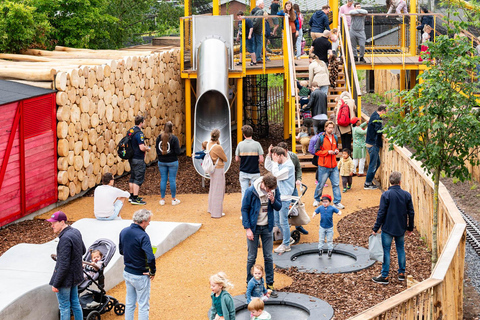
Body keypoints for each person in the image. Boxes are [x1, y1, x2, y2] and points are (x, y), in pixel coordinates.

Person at [242, 173, 281, 298]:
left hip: (267, 227)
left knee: (268, 256)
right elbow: (244, 209)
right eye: (268, 189)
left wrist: (273, 200)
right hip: (254, 227)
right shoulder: (251, 191)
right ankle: (249, 285)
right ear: (263, 184)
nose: (270, 191)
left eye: (272, 190)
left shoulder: (274, 190)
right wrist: (248, 228)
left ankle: (269, 286)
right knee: (251, 257)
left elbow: (278, 206)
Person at [372, 171, 415, 285]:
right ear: (400, 182)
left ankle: (385, 275)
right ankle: (401, 273)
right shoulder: (406, 195)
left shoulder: (386, 195)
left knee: (386, 250)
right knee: (400, 248)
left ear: (390, 182)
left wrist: (376, 228)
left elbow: (381, 212)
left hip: (387, 228)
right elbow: (411, 213)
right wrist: (410, 227)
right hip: (400, 228)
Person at [48, 211, 86, 320]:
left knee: (64, 306)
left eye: (54, 223)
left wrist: (56, 284)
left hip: (65, 279)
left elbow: (63, 265)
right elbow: (82, 250)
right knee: (75, 303)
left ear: (62, 222)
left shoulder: (64, 239)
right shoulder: (75, 232)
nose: (52, 225)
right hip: (75, 276)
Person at [119, 209, 156, 320]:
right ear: (143, 221)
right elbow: (150, 257)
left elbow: (121, 251)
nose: (149, 223)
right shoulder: (143, 236)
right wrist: (152, 271)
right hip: (140, 274)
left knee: (130, 303)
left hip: (127, 272)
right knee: (143, 305)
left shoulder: (124, 231)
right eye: (149, 221)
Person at [265, 146, 296, 253]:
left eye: (275, 157)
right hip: (279, 196)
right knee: (277, 221)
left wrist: (274, 162)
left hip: (285, 197)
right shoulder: (279, 163)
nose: (274, 160)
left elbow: (275, 175)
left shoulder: (289, 166)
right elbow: (268, 166)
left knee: (283, 222)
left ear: (281, 155)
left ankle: (286, 244)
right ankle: (288, 238)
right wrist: (269, 156)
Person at [276, 141, 308, 235]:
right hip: (282, 188)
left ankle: (298, 225)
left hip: (292, 186)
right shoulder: (277, 158)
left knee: (296, 206)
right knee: (282, 208)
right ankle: (281, 228)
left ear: (286, 150)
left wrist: (298, 179)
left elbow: (298, 168)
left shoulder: (293, 157)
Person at [313, 121, 345, 209]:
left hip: (334, 165)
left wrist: (336, 150)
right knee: (320, 184)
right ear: (325, 128)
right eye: (329, 127)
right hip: (323, 166)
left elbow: (336, 147)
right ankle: (316, 199)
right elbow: (316, 151)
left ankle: (337, 202)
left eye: (332, 127)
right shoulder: (321, 138)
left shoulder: (335, 137)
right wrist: (327, 152)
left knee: (336, 184)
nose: (331, 129)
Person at [156, 121, 182, 206]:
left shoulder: (159, 138)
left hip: (162, 161)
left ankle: (162, 199)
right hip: (172, 161)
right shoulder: (174, 138)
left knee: (163, 179)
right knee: (172, 180)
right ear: (172, 129)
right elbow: (178, 151)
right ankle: (173, 199)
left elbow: (157, 150)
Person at [236, 125, 264, 198]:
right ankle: (254, 208)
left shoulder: (240, 144)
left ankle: (244, 208)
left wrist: (242, 160)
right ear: (252, 133)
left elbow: (236, 159)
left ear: (244, 135)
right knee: (255, 191)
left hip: (243, 171)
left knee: (244, 192)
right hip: (254, 171)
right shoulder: (257, 144)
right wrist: (256, 162)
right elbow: (261, 159)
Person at [129, 115, 151, 205]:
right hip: (138, 158)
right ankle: (135, 198)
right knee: (138, 178)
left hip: (131, 157)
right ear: (141, 123)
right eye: (144, 122)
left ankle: (131, 196)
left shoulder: (130, 131)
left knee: (133, 177)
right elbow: (141, 147)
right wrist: (147, 148)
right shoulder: (139, 133)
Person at [207, 129, 228, 218]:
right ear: (218, 137)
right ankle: (216, 212)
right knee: (218, 190)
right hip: (218, 168)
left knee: (213, 188)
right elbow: (225, 158)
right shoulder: (218, 147)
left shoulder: (209, 144)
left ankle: (211, 208)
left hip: (212, 168)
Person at [364, 105, 386, 189]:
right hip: (373, 144)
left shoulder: (373, 115)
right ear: (383, 111)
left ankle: (369, 181)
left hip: (370, 142)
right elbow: (378, 130)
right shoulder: (377, 118)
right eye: (385, 113)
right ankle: (368, 183)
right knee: (373, 164)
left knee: (377, 163)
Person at [251, 1, 265, 65]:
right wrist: (255, 28)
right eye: (263, 4)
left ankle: (253, 58)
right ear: (259, 5)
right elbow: (257, 21)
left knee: (254, 44)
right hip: (258, 30)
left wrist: (251, 28)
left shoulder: (252, 11)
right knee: (259, 44)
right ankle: (258, 58)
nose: (264, 5)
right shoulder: (260, 11)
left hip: (252, 30)